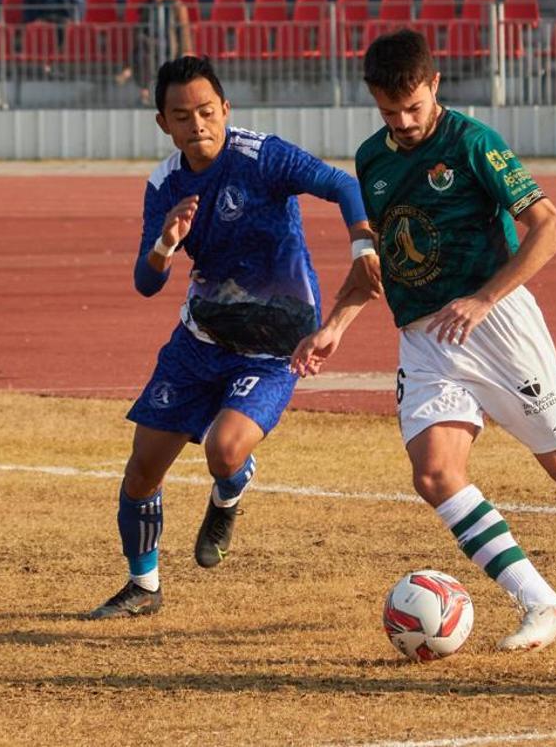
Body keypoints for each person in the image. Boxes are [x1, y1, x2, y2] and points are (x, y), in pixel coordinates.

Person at [292, 30, 556, 651]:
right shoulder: (372, 159)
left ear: (434, 85)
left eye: (412, 108)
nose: (401, 122)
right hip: (425, 341)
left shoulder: (473, 143)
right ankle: (545, 603)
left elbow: (551, 229)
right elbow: (381, 262)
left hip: (497, 325)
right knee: (434, 475)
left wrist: (483, 299)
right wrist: (336, 324)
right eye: (388, 111)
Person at [89, 55, 381, 619]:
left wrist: (362, 246)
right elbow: (147, 283)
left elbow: (343, 184)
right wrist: (165, 243)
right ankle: (143, 589)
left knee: (224, 451)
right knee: (143, 467)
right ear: (163, 123)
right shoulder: (166, 183)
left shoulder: (263, 156)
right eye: (181, 115)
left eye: (205, 110)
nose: (196, 123)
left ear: (225, 108)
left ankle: (230, 491)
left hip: (277, 345)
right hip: (199, 341)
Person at [116, 0, 194, 107]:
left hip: (169, 43)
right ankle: (144, 92)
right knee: (142, 57)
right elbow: (141, 27)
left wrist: (186, 48)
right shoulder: (147, 7)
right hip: (151, 44)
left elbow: (183, 29)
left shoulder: (176, 6)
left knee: (146, 48)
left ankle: (128, 71)